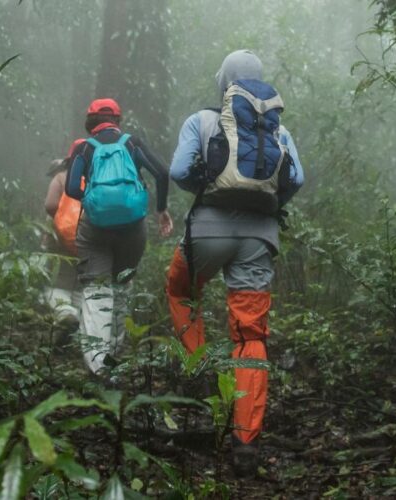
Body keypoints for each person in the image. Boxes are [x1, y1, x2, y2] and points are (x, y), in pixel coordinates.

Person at [166, 50, 304, 476]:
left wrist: (206, 189)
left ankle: (201, 368)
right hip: (259, 237)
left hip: (207, 230)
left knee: (181, 290)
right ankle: (245, 440)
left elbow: (177, 170)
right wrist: (266, 204)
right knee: (249, 332)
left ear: (222, 81)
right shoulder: (279, 130)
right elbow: (296, 179)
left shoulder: (202, 121)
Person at [65, 98, 173, 374]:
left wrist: (92, 197)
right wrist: (161, 209)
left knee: (96, 289)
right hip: (133, 228)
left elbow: (71, 189)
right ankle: (115, 356)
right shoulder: (132, 143)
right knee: (122, 285)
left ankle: (99, 366)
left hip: (94, 229)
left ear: (90, 122)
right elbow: (162, 173)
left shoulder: (83, 148)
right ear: (117, 120)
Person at [42, 150, 82, 340]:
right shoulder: (93, 178)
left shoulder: (60, 178)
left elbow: (50, 206)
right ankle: (81, 327)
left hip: (62, 243)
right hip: (91, 241)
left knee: (56, 284)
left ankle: (66, 314)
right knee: (81, 285)